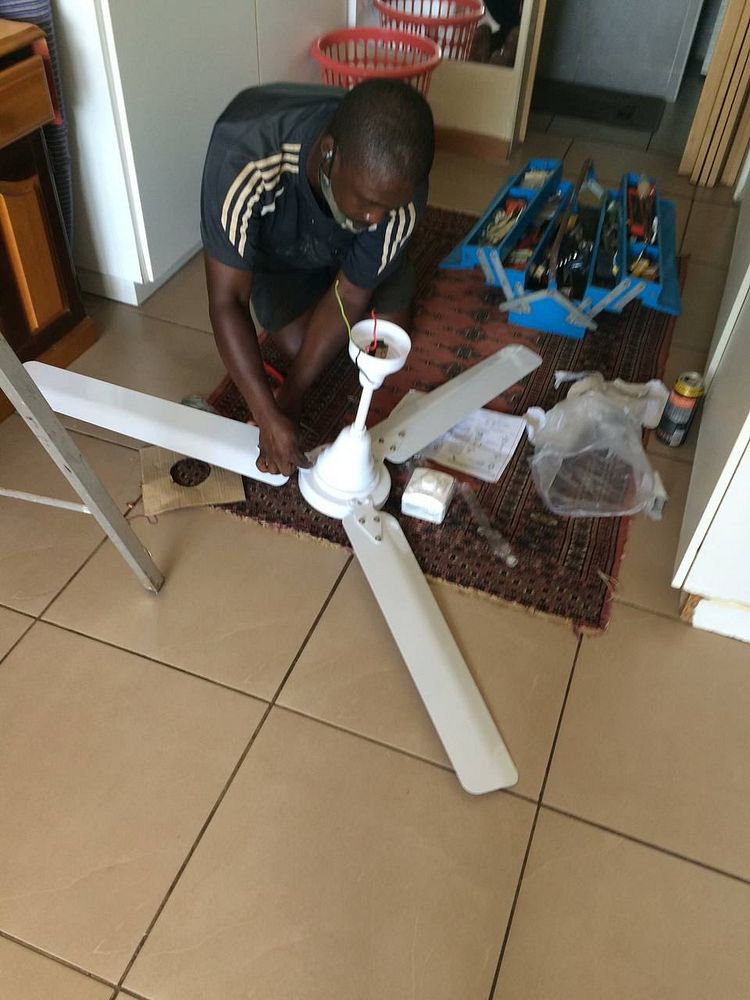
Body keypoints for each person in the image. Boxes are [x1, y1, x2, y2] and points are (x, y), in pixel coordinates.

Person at [200, 79, 435, 477]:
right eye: (368, 202)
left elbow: (350, 294)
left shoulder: (400, 188)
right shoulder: (244, 159)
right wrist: (266, 414)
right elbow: (227, 300)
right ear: (329, 153)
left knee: (385, 345)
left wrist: (290, 397)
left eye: (387, 207)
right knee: (299, 346)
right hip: (284, 252)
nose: (377, 218)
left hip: (348, 256)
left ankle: (386, 266)